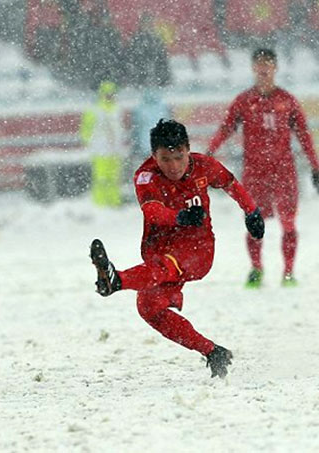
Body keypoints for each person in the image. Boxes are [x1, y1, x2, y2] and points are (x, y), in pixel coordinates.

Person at [90, 119, 265, 379]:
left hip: (198, 249)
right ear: (154, 156)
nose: (173, 166)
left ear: (188, 150)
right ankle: (213, 352)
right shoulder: (145, 176)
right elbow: (151, 210)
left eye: (179, 157)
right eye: (165, 159)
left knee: (166, 266)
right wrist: (179, 217)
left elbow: (230, 183)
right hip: (160, 249)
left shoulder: (204, 166)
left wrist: (251, 211)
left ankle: (117, 281)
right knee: (149, 308)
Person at [207, 48, 319, 288]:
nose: (263, 68)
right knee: (254, 221)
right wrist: (209, 154)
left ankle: (288, 272)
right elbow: (226, 129)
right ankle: (256, 268)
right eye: (259, 64)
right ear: (252, 68)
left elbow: (304, 135)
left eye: (267, 64)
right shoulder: (244, 101)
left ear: (275, 67)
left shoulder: (286, 100)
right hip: (255, 172)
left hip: (283, 171)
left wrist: (315, 165)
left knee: (288, 222)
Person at [79, 81, 125, 207]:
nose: (110, 96)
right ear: (102, 94)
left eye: (112, 94)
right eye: (107, 94)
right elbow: (85, 130)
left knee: (115, 178)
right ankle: (100, 203)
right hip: (100, 151)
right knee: (101, 178)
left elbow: (120, 129)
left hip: (115, 150)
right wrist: (92, 143)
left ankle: (114, 201)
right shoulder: (94, 110)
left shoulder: (117, 109)